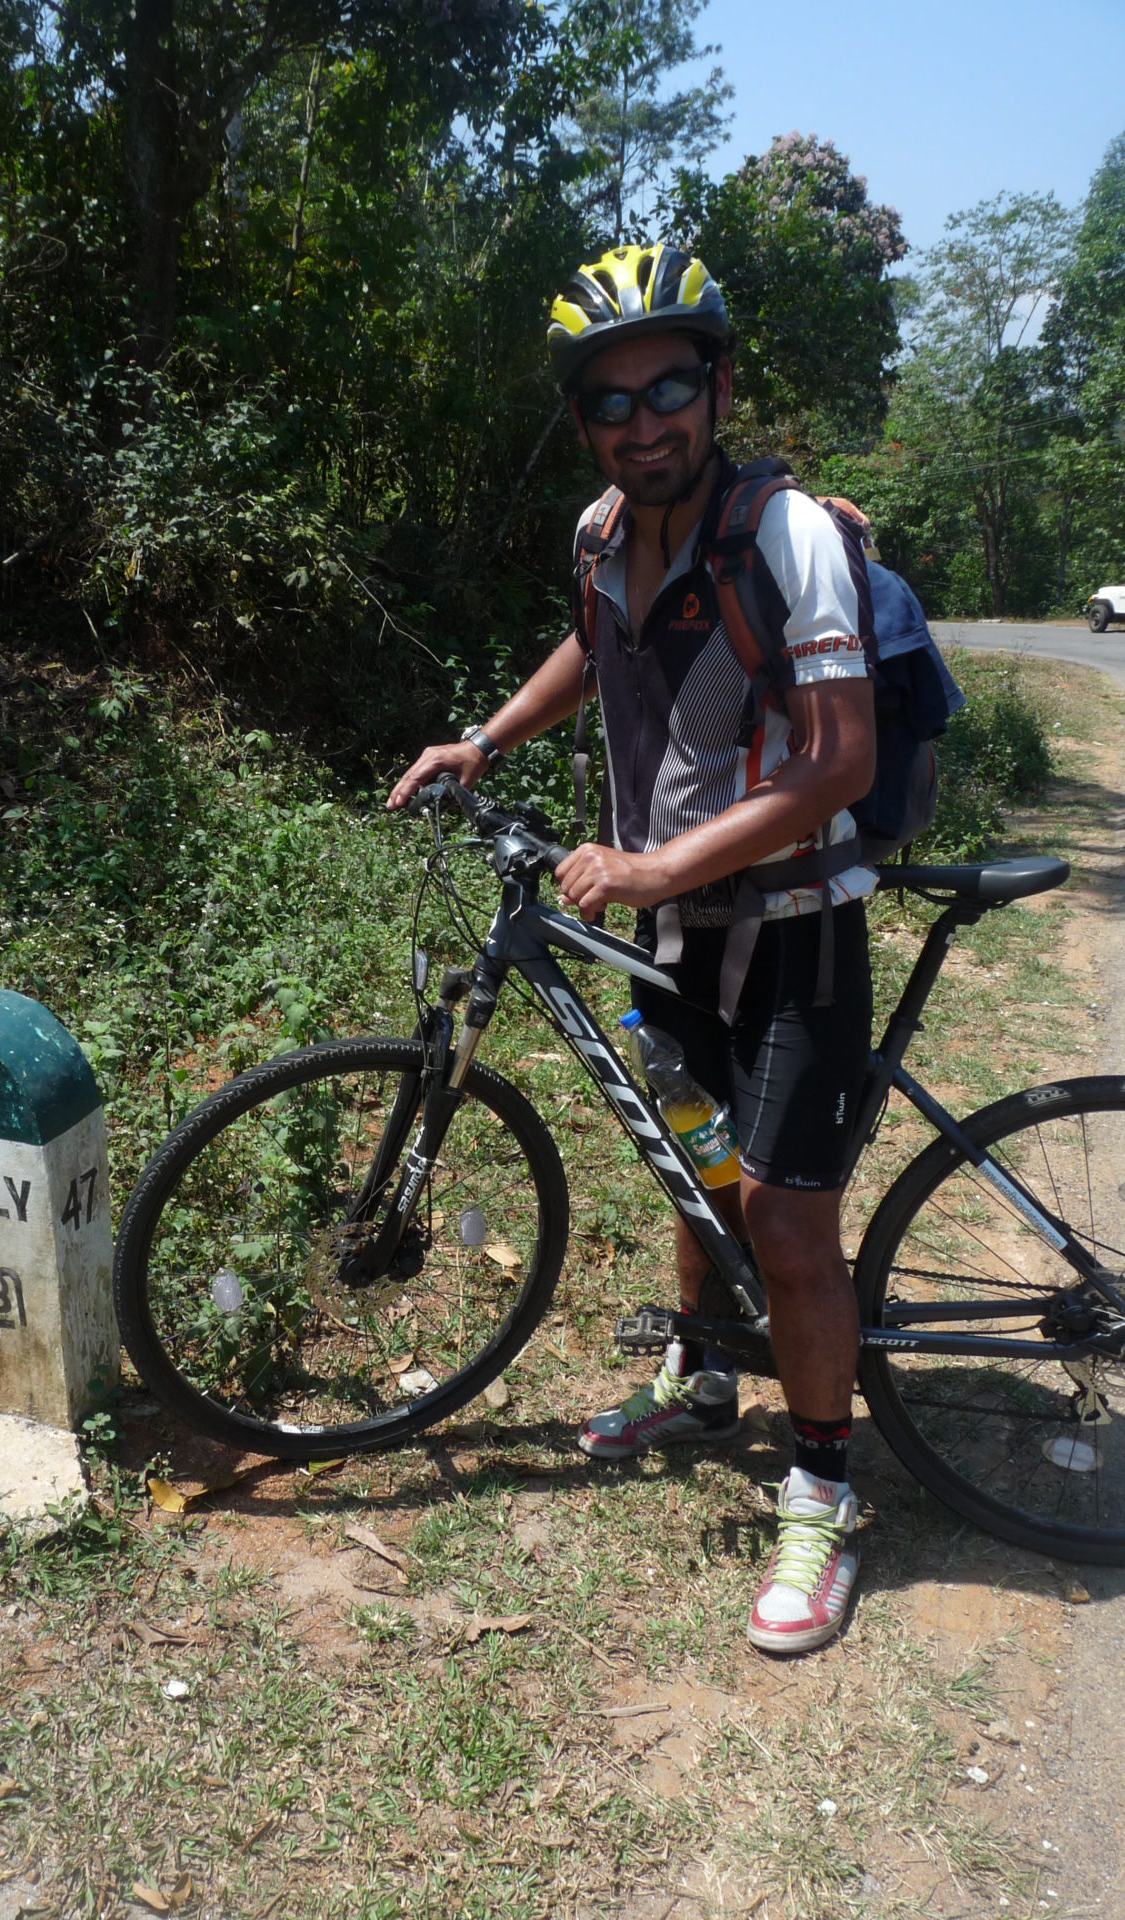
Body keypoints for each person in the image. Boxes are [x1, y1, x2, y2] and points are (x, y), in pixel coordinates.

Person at [386, 242, 877, 1656]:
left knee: (785, 1221)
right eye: (612, 400)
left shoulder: (787, 535)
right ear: (584, 420)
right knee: (691, 1156)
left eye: (669, 387)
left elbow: (839, 760)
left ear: (716, 388)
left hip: (795, 927)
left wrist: (656, 862)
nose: (644, 421)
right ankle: (705, 1375)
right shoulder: (604, 534)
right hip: (675, 928)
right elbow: (590, 649)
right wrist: (482, 740)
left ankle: (825, 1488)